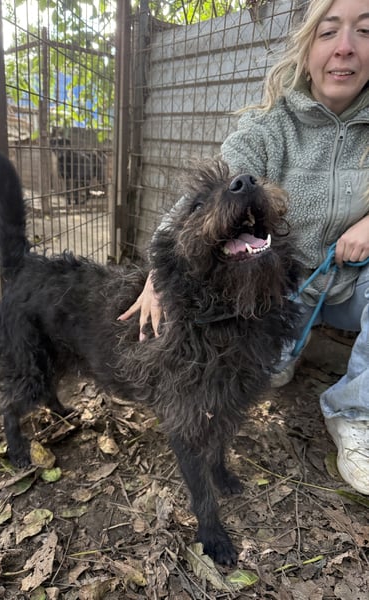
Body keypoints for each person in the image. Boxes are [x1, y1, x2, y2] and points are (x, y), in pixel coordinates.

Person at [118, 0, 369, 495]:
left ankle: (354, 413)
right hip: (285, 287)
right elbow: (204, 199)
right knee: (263, 371)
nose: (344, 47)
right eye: (328, 32)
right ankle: (288, 348)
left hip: (355, 282)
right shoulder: (268, 129)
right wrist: (158, 273)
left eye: (365, 31)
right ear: (307, 51)